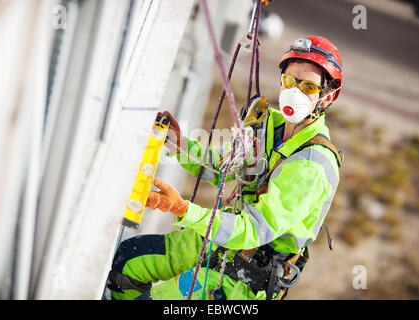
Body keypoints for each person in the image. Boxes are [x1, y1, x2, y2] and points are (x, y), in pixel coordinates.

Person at [106, 35, 343, 300]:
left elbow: (253, 230)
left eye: (308, 87)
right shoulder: (270, 126)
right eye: (290, 81)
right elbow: (224, 168)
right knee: (126, 263)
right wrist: (179, 144)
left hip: (246, 276)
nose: (295, 91)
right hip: (220, 241)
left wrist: (182, 209)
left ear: (327, 97)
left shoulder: (312, 166)